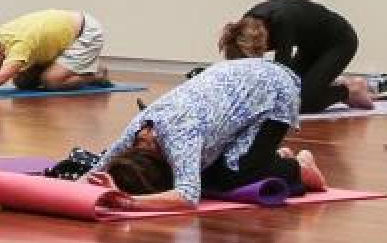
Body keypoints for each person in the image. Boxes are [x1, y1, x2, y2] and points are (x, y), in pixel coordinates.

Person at [91, 57, 324, 208]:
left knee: (231, 177)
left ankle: (301, 168)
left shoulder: (179, 137)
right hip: (243, 82)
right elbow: (98, 168)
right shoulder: (137, 131)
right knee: (211, 173)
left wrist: (130, 202)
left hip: (274, 90)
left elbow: (188, 196)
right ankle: (272, 156)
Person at [219, 0, 372, 112]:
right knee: (290, 96)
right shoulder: (246, 25)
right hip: (309, 47)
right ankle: (324, 82)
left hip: (339, 42)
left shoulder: (282, 23)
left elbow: (282, 78)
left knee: (302, 103)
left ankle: (349, 90)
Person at [0, 9, 111, 92]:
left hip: (86, 33)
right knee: (23, 82)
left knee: (51, 81)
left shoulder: (20, 45)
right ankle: (58, 68)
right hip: (63, 35)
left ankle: (95, 75)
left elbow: (1, 77)